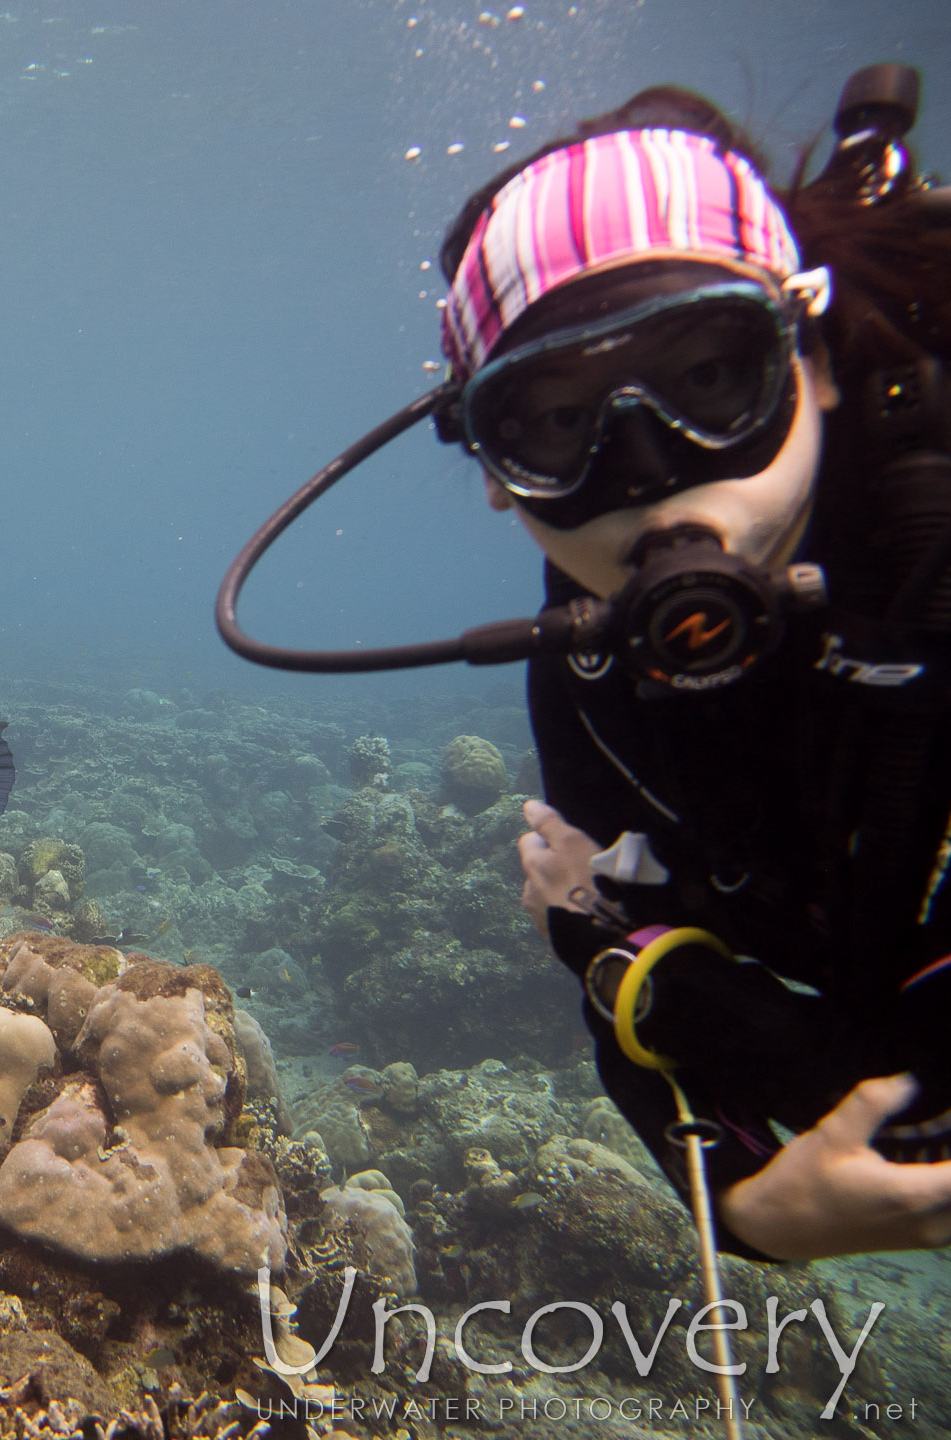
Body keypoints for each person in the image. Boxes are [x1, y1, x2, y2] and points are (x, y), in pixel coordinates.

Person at [436, 76, 951, 1261]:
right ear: (500, 478)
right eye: (559, 424)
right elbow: (613, 954)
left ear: (811, 358)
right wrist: (747, 1207)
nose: (650, 468)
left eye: (712, 378)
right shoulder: (594, 683)